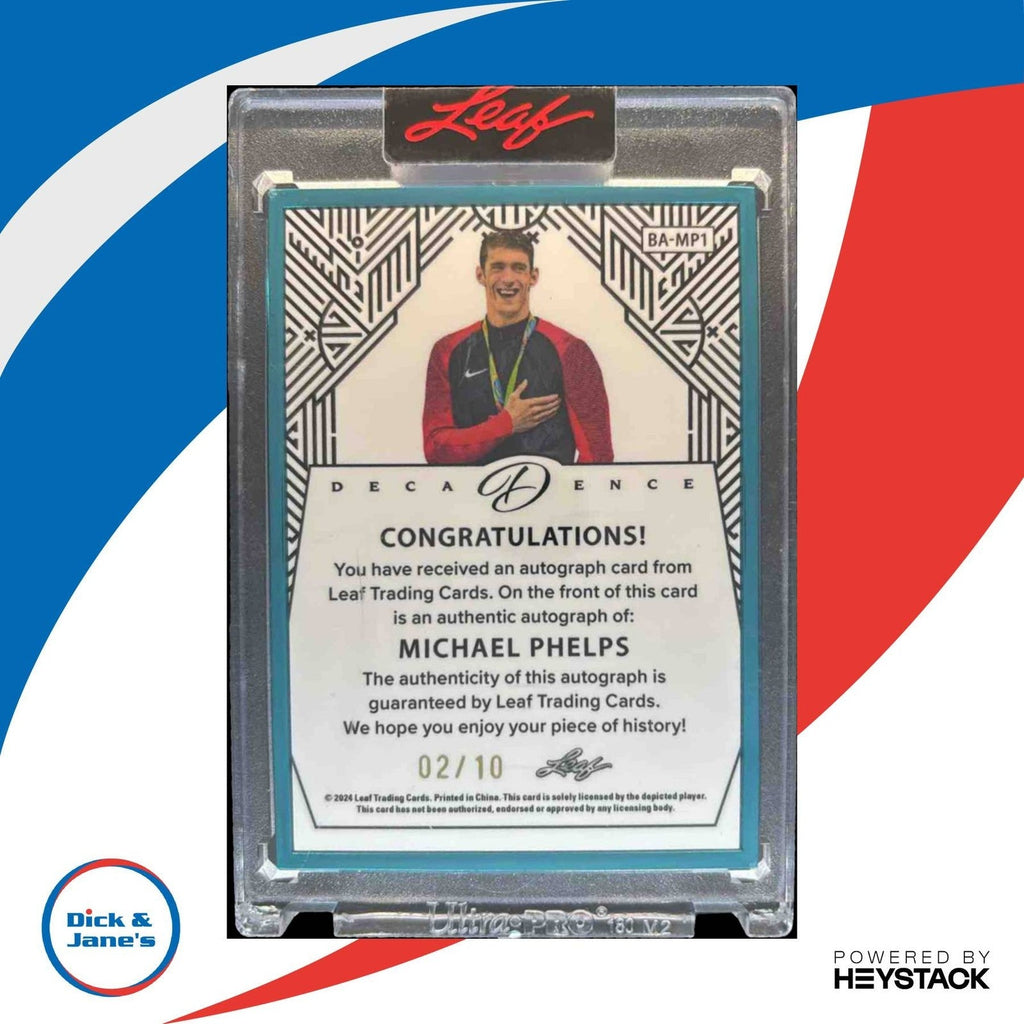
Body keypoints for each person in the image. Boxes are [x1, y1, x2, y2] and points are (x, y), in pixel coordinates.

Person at [423, 230, 613, 465]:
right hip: (471, 490)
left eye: (519, 268)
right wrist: (507, 424)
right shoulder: (447, 350)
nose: (508, 278)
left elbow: (598, 457)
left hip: (548, 488)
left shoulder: (572, 350)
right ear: (480, 275)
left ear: (533, 276)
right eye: (498, 267)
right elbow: (435, 449)